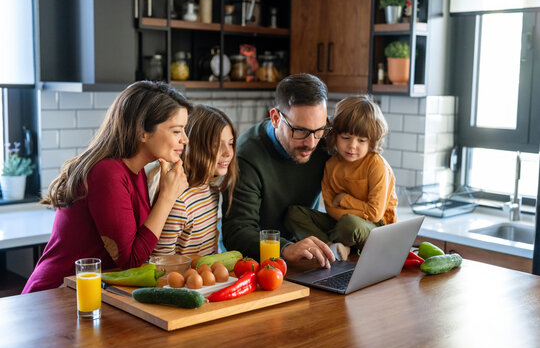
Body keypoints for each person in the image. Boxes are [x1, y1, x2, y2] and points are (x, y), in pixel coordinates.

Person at [23, 81, 192, 293]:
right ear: (143, 132)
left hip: (90, 294)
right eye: (177, 130)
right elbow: (130, 261)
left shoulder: (135, 170)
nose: (184, 139)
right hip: (55, 296)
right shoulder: (108, 174)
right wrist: (167, 197)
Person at [221, 73, 335, 268]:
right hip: (254, 264)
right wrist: (285, 248)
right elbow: (237, 232)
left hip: (305, 257)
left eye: (319, 130)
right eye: (300, 130)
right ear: (275, 118)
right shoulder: (246, 156)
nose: (311, 143)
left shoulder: (324, 139)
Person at [285, 95, 398, 260]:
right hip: (341, 223)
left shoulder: (377, 165)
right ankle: (333, 248)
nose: (352, 145)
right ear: (335, 135)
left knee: (349, 223)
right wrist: (347, 213)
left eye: (361, 140)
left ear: (371, 142)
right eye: (346, 138)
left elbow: (374, 214)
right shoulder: (331, 165)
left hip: (377, 229)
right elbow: (331, 208)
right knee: (293, 214)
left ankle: (333, 245)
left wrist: (345, 200)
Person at [152, 105, 238, 257]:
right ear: (196, 147)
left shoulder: (212, 193)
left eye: (230, 143)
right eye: (217, 145)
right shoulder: (180, 203)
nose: (227, 152)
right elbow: (161, 261)